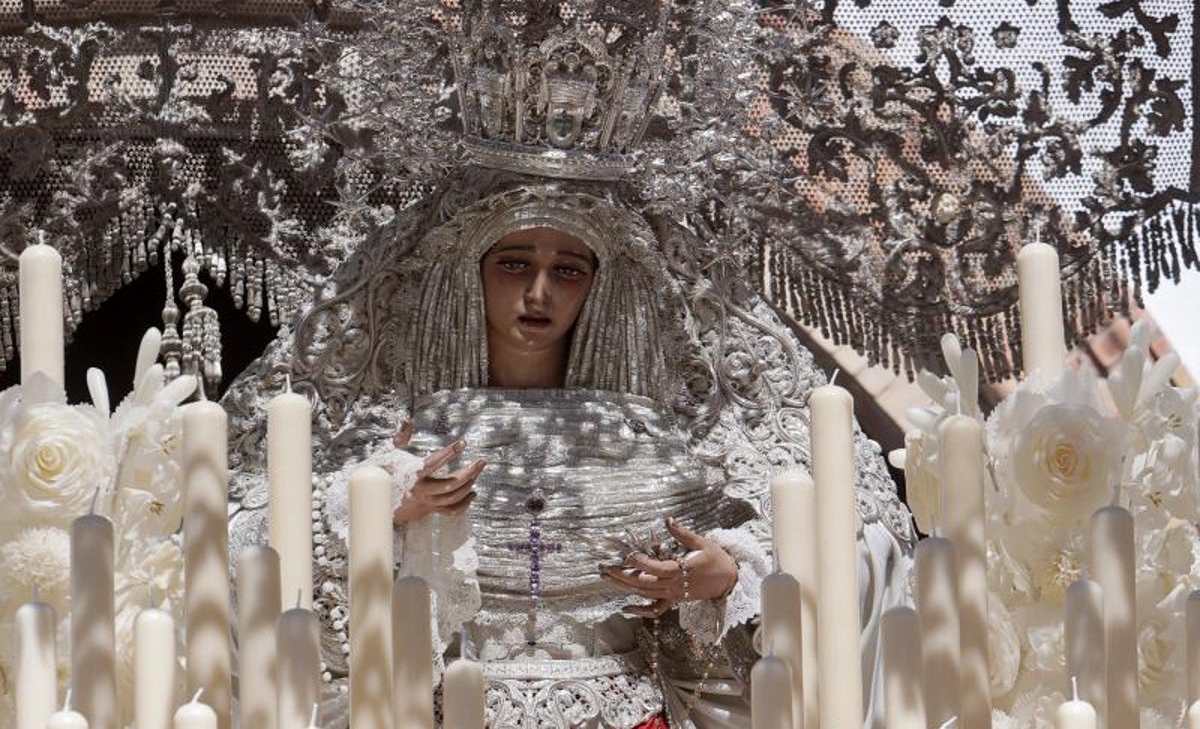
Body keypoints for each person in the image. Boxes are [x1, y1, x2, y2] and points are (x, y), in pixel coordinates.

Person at [225, 172, 913, 728]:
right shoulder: (402, 442)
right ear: (472, 271)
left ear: (601, 285)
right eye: (515, 263)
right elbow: (245, 544)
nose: (538, 293)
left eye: (569, 270)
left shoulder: (652, 442)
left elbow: (841, 540)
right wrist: (374, 510)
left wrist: (728, 575)